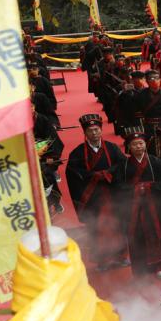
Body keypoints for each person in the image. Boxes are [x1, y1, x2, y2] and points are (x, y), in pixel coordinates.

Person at [65, 113, 127, 271]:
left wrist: (108, 174)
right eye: (90, 130)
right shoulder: (77, 153)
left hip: (112, 195)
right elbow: (73, 174)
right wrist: (92, 176)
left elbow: (123, 166)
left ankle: (120, 256)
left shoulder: (112, 148)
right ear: (85, 133)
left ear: (101, 130)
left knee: (117, 224)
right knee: (97, 228)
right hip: (93, 197)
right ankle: (102, 260)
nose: (94, 133)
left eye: (96, 129)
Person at [115, 127, 161, 277]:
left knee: (157, 234)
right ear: (129, 147)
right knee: (137, 236)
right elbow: (118, 185)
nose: (138, 147)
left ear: (145, 145)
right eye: (135, 144)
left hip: (154, 206)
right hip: (133, 208)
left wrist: (149, 187)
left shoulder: (155, 161)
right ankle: (140, 269)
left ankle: (159, 266)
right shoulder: (124, 165)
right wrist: (135, 189)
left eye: (141, 143)